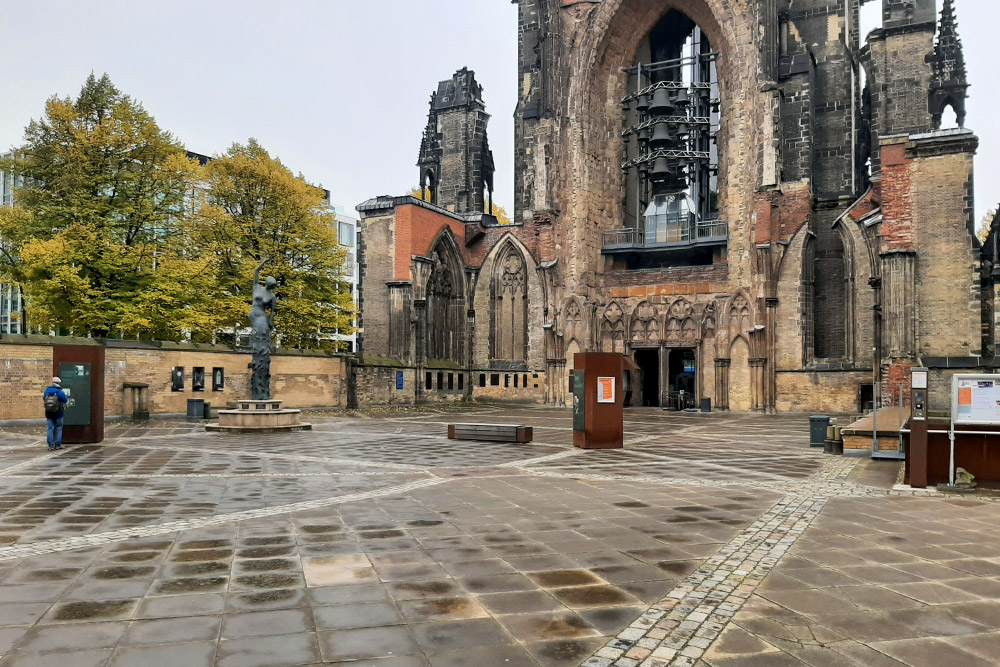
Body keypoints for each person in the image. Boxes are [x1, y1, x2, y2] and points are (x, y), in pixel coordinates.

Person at [43, 377, 68, 451]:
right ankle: (57, 444)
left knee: (50, 428)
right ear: (59, 383)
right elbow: (65, 400)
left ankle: (50, 445)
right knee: (59, 428)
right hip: (58, 413)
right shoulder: (60, 392)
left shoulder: (46, 391)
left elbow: (44, 399)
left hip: (49, 413)